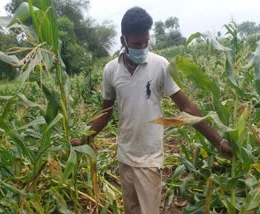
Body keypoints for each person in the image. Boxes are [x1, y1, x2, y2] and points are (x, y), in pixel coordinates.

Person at [71, 6, 232, 214]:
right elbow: (105, 113)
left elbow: (187, 107)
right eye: (137, 43)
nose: (143, 47)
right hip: (124, 156)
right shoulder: (110, 70)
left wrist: (219, 142)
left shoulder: (160, 66)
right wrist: (85, 138)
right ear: (123, 41)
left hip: (149, 158)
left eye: (146, 42)